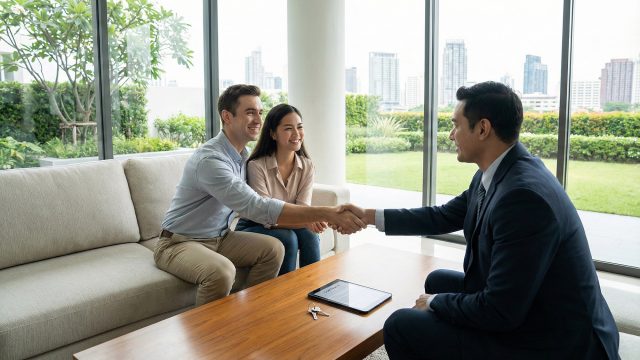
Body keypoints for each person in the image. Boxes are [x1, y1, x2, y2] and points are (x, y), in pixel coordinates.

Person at [345, 81, 619, 359]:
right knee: (438, 280)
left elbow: (500, 311)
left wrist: (437, 303)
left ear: (483, 129)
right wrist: (366, 216)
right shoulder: (499, 172)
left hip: (556, 341)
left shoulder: (523, 198)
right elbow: (442, 216)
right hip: (531, 308)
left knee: (401, 325)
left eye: (456, 125)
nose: (451, 135)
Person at [155, 84, 364, 306]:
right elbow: (256, 206)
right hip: (179, 243)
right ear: (227, 116)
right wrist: (328, 213)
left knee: (273, 249)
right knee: (223, 271)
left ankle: (257, 313)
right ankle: (208, 338)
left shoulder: (242, 157)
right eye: (249, 112)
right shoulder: (211, 161)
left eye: (260, 112)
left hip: (221, 237)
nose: (258, 119)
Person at [235, 104, 324, 275]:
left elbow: (302, 209)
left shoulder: (307, 166)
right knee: (288, 238)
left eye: (299, 127)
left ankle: (313, 290)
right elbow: (265, 215)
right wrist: (306, 220)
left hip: (287, 222)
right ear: (273, 133)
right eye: (288, 129)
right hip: (254, 224)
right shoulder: (256, 166)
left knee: (310, 235)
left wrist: (310, 219)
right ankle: (284, 297)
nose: (297, 134)